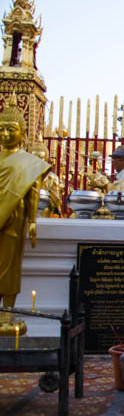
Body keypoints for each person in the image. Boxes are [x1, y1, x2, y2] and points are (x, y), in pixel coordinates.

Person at [0, 94, 50, 333]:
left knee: (9, 268)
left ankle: (7, 315)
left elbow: (34, 194)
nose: (6, 134)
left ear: (23, 132)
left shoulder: (29, 162)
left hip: (14, 220)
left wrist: (32, 222)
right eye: (2, 129)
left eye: (12, 129)